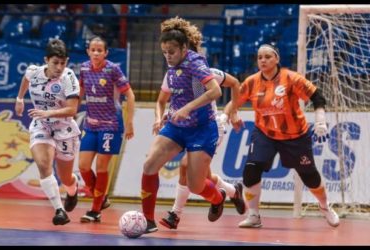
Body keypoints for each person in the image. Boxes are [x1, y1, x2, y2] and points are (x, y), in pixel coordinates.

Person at [141, 17, 237, 234]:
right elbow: (168, 98)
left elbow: (216, 91)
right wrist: (163, 116)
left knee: (195, 186)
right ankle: (148, 220)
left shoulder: (196, 62)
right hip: (177, 127)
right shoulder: (171, 67)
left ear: (184, 48)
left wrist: (187, 108)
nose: (168, 56)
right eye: (164, 52)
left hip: (202, 129)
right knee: (149, 165)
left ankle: (219, 196)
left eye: (172, 51)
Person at [231, 44, 339, 228]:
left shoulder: (291, 78)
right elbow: (235, 100)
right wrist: (228, 115)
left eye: (267, 56)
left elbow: (317, 97)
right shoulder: (251, 81)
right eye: (259, 57)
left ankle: (324, 205)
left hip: (295, 135)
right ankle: (254, 215)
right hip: (265, 133)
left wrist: (320, 120)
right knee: (251, 169)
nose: (263, 60)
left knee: (309, 176)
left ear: (277, 59)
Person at [158, 68, 246, 230]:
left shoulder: (205, 72)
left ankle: (175, 214)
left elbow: (234, 83)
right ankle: (234, 191)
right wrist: (167, 116)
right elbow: (171, 101)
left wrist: (233, 112)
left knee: (186, 166)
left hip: (210, 128)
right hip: (189, 129)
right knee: (204, 176)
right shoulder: (173, 74)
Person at [14, 38, 80, 225]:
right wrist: (19, 98)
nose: (59, 67)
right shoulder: (33, 72)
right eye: (55, 63)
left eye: (63, 62)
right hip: (42, 125)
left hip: (64, 128)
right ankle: (59, 211)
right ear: (46, 60)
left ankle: (72, 189)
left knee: (66, 177)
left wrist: (48, 112)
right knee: (44, 165)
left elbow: (72, 110)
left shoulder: (68, 78)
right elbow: (25, 79)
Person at [78, 36, 135, 223]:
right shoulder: (84, 68)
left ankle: (95, 210)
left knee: (101, 166)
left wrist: (130, 122)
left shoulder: (112, 69)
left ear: (106, 53)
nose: (96, 53)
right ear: (88, 51)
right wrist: (71, 111)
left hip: (111, 124)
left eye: (99, 50)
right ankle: (101, 198)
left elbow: (129, 94)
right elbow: (80, 92)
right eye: (92, 49)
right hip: (90, 124)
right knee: (83, 166)